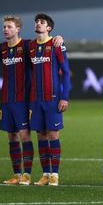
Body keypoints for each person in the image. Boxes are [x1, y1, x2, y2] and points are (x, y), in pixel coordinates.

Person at [0, 15, 63, 185]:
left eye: (9, 26)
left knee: (25, 136)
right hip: (6, 100)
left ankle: (27, 175)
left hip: (24, 100)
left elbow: (46, 44)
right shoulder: (1, 48)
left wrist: (59, 38)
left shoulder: (27, 46)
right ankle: (17, 174)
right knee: (11, 137)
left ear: (18, 29)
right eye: (4, 26)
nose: (6, 29)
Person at [29, 13, 71, 186]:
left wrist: (64, 98)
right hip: (35, 99)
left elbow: (66, 72)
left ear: (49, 28)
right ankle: (45, 173)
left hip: (52, 99)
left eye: (42, 22)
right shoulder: (30, 46)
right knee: (40, 135)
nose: (38, 24)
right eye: (37, 22)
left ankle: (55, 174)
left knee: (53, 134)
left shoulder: (56, 45)